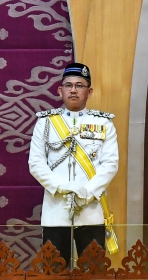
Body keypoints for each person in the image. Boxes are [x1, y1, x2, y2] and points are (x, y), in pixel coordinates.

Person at [28, 62, 119, 262]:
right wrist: (61, 187)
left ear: (89, 91)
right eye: (68, 85)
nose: (74, 90)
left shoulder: (103, 123)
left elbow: (110, 163)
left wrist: (87, 191)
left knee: (93, 273)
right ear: (60, 91)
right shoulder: (46, 122)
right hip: (56, 209)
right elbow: (36, 163)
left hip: (91, 209)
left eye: (80, 85)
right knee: (55, 274)